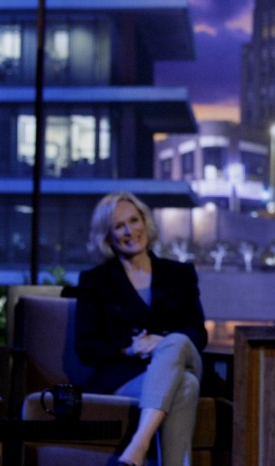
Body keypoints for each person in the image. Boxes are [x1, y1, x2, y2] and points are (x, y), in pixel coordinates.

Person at [75, 191, 207, 466]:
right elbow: (87, 347)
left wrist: (162, 342)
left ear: (145, 222)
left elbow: (198, 332)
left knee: (176, 341)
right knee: (185, 385)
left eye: (134, 220)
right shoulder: (95, 281)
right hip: (126, 377)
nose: (129, 231)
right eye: (119, 226)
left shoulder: (179, 274)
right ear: (107, 236)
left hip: (182, 358)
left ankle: (138, 444)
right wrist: (129, 348)